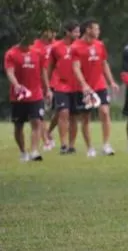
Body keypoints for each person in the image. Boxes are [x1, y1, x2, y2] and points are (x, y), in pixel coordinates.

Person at [71, 19, 120, 157]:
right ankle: (90, 148)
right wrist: (84, 84)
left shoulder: (100, 45)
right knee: (85, 117)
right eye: (96, 29)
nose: (98, 32)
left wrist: (111, 82)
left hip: (100, 84)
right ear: (88, 30)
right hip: (84, 88)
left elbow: (104, 64)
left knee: (105, 112)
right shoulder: (75, 47)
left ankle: (106, 145)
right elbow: (76, 68)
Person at [5, 36, 47, 162]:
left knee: (37, 122)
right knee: (18, 126)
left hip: (36, 94)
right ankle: (23, 151)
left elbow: (43, 72)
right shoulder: (11, 53)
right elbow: (10, 72)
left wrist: (48, 88)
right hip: (19, 96)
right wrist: (16, 85)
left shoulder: (38, 53)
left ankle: (34, 151)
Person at [45, 21, 81, 154]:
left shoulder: (80, 46)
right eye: (76, 31)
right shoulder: (56, 47)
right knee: (63, 112)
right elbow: (50, 67)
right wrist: (47, 86)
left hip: (76, 86)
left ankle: (72, 145)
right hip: (61, 84)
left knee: (73, 116)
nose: (78, 34)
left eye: (79, 32)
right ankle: (64, 145)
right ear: (67, 32)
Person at [33, 27, 57, 151]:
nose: (53, 34)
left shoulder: (56, 45)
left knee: (60, 111)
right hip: (40, 83)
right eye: (51, 31)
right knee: (41, 113)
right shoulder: (35, 46)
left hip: (57, 82)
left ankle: (48, 132)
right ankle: (46, 140)